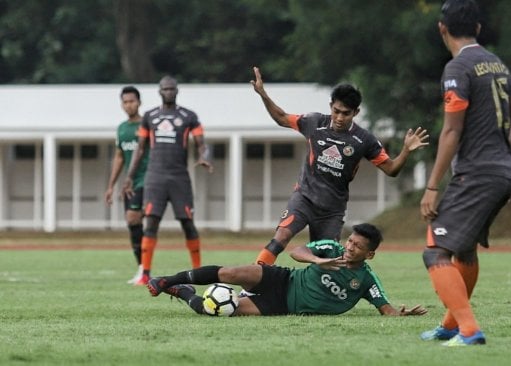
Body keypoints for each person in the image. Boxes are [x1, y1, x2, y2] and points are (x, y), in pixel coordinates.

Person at [419, 0, 511, 346]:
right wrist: (505, 163)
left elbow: (451, 132)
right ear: (479, 28)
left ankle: (469, 330)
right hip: (501, 172)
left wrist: (433, 186)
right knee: (464, 250)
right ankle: (451, 325)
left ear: (442, 28)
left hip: (477, 174)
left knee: (435, 251)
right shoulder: (495, 63)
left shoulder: (458, 68)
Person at [250, 67, 430, 266]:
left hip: (332, 210)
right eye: (336, 111)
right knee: (281, 237)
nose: (339, 118)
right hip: (304, 198)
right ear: (331, 106)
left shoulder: (364, 140)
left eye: (346, 113)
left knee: (328, 262)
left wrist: (405, 150)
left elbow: (391, 169)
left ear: (356, 112)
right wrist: (263, 94)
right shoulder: (314, 122)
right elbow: (282, 118)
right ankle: (253, 282)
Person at [147, 223, 428, 317]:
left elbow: (386, 309)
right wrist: (319, 261)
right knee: (229, 273)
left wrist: (400, 315)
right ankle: (165, 280)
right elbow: (297, 251)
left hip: (281, 304)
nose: (349, 247)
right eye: (350, 241)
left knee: (218, 310)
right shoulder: (330, 247)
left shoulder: (366, 280)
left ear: (370, 254)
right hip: (282, 278)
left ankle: (182, 291)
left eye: (357, 247)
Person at [122, 75, 213, 285]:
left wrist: (204, 157)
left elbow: (201, 143)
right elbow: (140, 148)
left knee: (188, 223)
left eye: (172, 89)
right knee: (151, 222)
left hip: (179, 177)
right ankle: (145, 273)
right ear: (159, 91)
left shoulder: (189, 116)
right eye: (165, 89)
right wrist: (129, 177)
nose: (169, 92)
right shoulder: (150, 116)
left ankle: (197, 272)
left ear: (177, 91)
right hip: (155, 177)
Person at [104, 86, 149, 284]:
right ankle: (143, 268)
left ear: (139, 102)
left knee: (134, 217)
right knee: (132, 222)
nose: (129, 104)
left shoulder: (148, 125)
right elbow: (120, 156)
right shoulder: (122, 129)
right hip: (130, 183)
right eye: (125, 102)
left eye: (132, 101)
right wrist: (111, 185)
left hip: (148, 180)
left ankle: (145, 269)